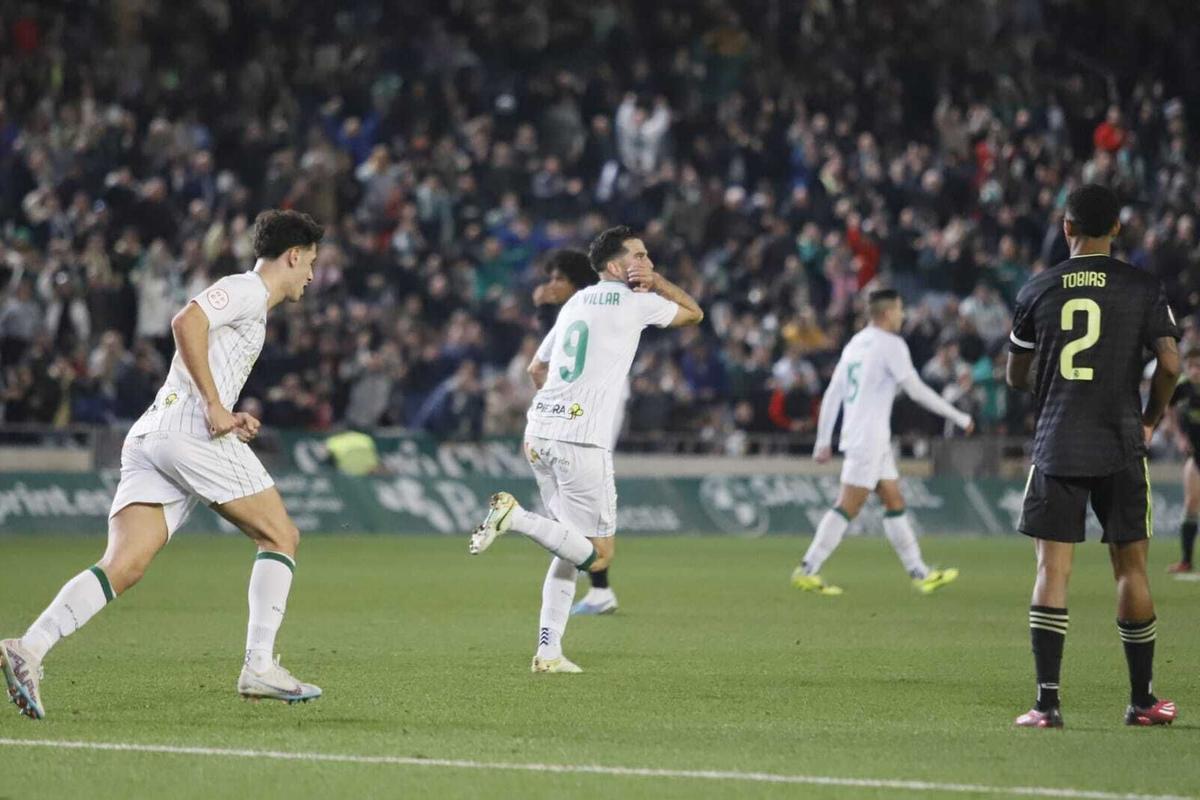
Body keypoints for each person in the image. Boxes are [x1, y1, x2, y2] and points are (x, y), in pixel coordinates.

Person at [0, 210, 326, 719]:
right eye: (311, 263)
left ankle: (29, 647)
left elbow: (203, 356)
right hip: (187, 434)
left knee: (123, 565)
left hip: (153, 433)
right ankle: (259, 665)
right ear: (293, 255)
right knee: (281, 536)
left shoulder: (253, 306)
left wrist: (227, 410)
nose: (311, 275)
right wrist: (214, 407)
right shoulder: (246, 289)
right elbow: (185, 321)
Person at [469, 226, 703, 672]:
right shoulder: (635, 301)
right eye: (639, 256)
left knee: (570, 547)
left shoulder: (575, 303)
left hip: (539, 432)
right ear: (615, 267)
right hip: (580, 439)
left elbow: (536, 368)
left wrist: (557, 407)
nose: (647, 263)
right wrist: (658, 283)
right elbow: (694, 313)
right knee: (599, 555)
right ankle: (515, 517)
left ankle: (549, 651)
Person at [1006, 184, 1180, 728]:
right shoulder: (1143, 288)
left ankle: (1047, 705)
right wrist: (1150, 417)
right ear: (1117, 229)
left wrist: (1050, 386)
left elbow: (1015, 373)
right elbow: (1171, 364)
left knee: (1051, 570)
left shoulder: (1038, 289)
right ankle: (1143, 701)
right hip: (1121, 440)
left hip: (1058, 439)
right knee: (1131, 570)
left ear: (1067, 228)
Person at [793, 289, 973, 596]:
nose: (902, 315)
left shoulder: (855, 343)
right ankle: (807, 568)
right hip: (869, 439)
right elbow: (916, 390)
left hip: (865, 436)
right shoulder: (890, 344)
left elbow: (834, 392)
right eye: (900, 309)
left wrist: (824, 439)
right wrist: (958, 416)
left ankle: (920, 572)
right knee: (848, 504)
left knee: (893, 499)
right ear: (887, 313)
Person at [532, 249, 622, 616]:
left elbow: (547, 362)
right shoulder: (583, 310)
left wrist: (543, 311)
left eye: (559, 279)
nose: (551, 285)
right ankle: (598, 588)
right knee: (575, 506)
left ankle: (599, 589)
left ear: (577, 283)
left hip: (594, 407)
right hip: (580, 408)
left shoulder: (586, 310)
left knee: (582, 497)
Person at [1165, 347, 1200, 573]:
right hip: (1196, 455)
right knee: (1190, 503)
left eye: (1199, 366)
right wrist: (1179, 436)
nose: (1195, 370)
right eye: (1191, 366)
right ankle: (1186, 561)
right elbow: (1168, 406)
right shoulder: (1182, 388)